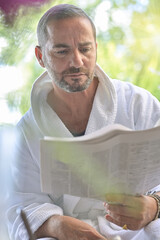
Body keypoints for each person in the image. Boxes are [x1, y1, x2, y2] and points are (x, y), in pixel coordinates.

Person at [6, 4, 160, 240]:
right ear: (40, 56)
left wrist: (153, 206)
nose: (76, 61)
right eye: (61, 51)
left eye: (85, 49)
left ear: (96, 49)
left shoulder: (138, 104)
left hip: (137, 231)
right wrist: (56, 225)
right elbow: (20, 204)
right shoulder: (28, 130)